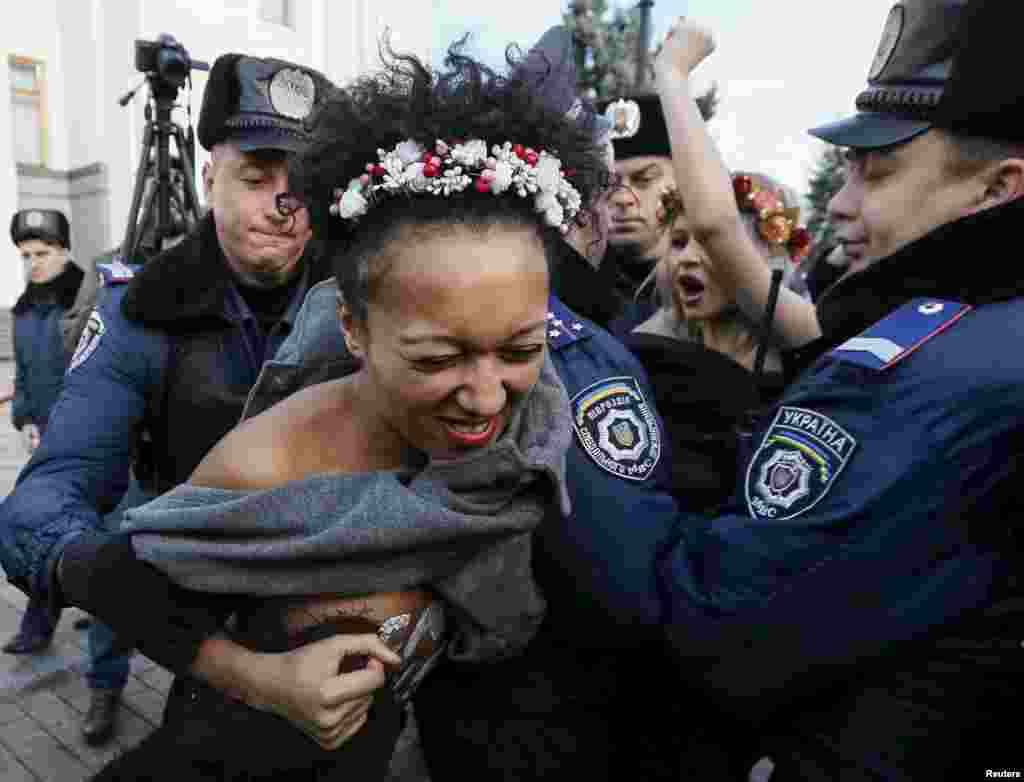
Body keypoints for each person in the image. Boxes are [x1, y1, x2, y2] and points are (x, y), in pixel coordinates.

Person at [644, 5, 1024, 777]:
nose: (843, 202)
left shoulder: (960, 369)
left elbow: (718, 621)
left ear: (998, 187)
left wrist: (580, 433)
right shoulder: (938, 326)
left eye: (876, 171)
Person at [0, 52, 335, 746]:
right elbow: (43, 499)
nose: (282, 203)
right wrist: (101, 572)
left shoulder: (359, 298)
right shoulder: (140, 309)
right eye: (256, 176)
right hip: (191, 569)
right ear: (210, 178)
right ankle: (104, 688)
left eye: (301, 182)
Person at [2, 208, 83, 655]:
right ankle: (40, 624)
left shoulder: (84, 298)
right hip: (46, 432)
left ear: (64, 251)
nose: (33, 263)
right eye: (26, 254)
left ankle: (92, 613)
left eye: (43, 253)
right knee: (42, 525)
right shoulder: (26, 307)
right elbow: (28, 373)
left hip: (87, 432)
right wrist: (28, 419)